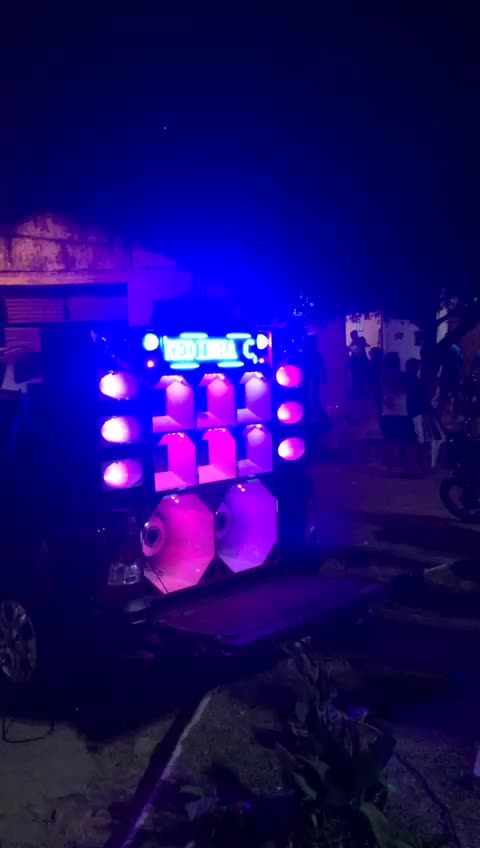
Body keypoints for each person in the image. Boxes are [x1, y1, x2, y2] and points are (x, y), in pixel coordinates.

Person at [379, 352, 413, 469]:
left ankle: (391, 463)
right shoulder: (401, 376)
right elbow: (405, 389)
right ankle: (396, 463)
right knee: (400, 438)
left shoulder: (384, 377)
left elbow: (382, 391)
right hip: (400, 411)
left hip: (389, 412)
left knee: (391, 438)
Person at [348, 330, 369, 396]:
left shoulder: (360, 340)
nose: (352, 337)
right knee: (357, 379)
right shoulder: (354, 342)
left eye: (353, 335)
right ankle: (358, 392)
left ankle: (360, 392)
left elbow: (356, 349)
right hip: (356, 363)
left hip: (360, 363)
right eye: (351, 336)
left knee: (360, 378)